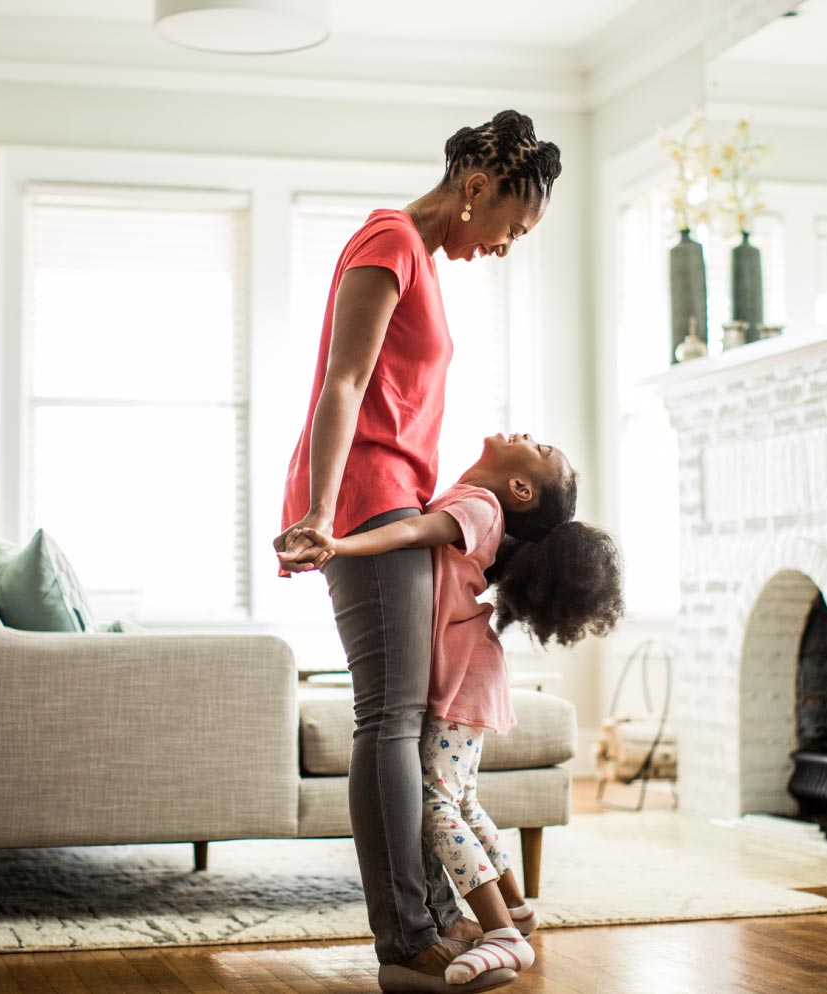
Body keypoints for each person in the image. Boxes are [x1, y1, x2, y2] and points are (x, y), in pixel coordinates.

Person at [274, 112, 562, 994]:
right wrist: (325, 514)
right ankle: (405, 934)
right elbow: (344, 382)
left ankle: (428, 917)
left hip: (387, 498)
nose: (506, 246)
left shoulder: (420, 259)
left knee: (398, 721)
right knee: (391, 722)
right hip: (364, 501)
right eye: (512, 226)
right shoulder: (390, 237)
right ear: (477, 189)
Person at [281, 432, 624, 986]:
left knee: (437, 804)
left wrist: (339, 543)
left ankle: (502, 935)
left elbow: (414, 531)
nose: (527, 437)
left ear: (519, 488)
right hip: (471, 672)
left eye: (539, 450)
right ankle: (515, 908)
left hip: (464, 675)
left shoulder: (480, 506)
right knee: (459, 798)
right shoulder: (478, 502)